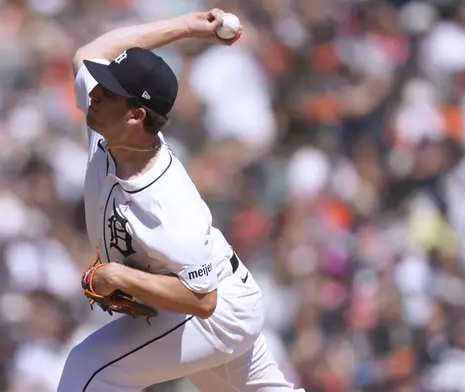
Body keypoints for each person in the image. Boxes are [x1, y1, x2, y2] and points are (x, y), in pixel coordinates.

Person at [57, 9, 304, 392]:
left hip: (218, 312)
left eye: (107, 92)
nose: (94, 94)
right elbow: (90, 52)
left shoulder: (167, 199)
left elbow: (201, 300)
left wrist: (119, 275)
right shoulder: (108, 130)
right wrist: (187, 28)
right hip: (205, 299)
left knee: (88, 370)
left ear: (136, 116)